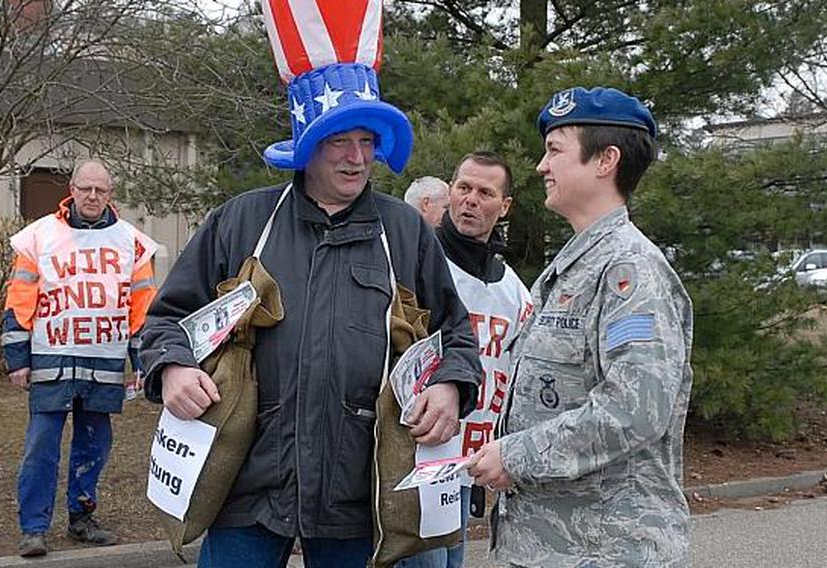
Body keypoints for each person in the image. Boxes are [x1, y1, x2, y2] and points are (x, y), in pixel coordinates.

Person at [139, 3, 481, 567]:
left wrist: (449, 388)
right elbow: (165, 322)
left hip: (361, 497)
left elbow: (457, 338)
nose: (357, 158)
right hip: (248, 489)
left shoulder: (405, 233)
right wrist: (172, 369)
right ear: (306, 143)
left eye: (368, 141)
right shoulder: (241, 222)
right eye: (339, 141)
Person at [468, 86, 694, 567]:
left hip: (605, 549)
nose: (540, 166)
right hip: (555, 547)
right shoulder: (577, 266)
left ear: (605, 160)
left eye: (554, 151)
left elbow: (635, 408)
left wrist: (517, 456)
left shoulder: (630, 271)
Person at [1, 159, 158, 558]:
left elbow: (142, 309)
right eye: (85, 188)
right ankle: (33, 528)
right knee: (41, 446)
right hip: (50, 358)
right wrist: (17, 358)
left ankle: (81, 518)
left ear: (111, 192)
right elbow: (19, 299)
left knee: (94, 445)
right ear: (71, 188)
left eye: (100, 190)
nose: (92, 196)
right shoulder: (39, 236)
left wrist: (143, 362)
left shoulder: (133, 243)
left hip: (102, 360)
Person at [399, 152, 533, 568]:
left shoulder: (514, 289)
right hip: (417, 457)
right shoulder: (414, 263)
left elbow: (523, 379)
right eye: (464, 188)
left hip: (468, 462)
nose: (471, 200)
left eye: (485, 192)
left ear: (504, 206)